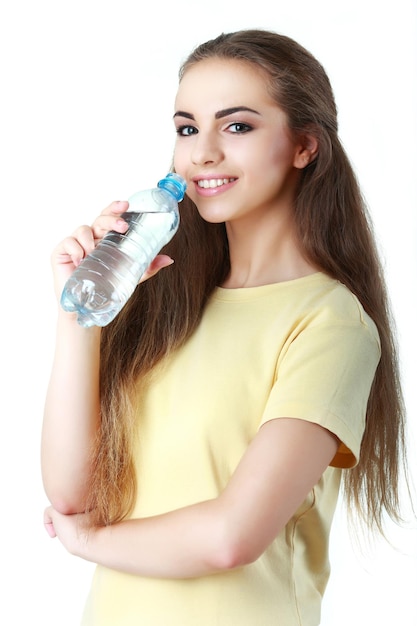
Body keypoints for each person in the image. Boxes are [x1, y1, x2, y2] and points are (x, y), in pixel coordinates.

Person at [41, 29, 409, 626]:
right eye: (187, 128)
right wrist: (80, 312)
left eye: (236, 126)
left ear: (304, 147)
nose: (201, 153)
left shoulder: (330, 322)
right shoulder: (163, 304)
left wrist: (86, 543)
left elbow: (231, 536)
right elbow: (72, 495)